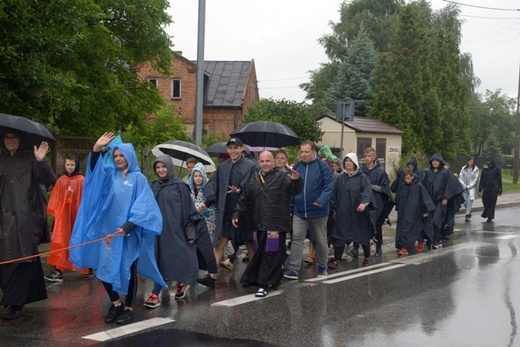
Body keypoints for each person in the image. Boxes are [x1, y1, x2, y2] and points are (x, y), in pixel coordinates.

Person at [70, 132, 165, 325]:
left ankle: (128, 307)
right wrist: (96, 150)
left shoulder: (138, 179)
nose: (118, 159)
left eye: (122, 155)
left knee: (128, 268)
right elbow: (93, 174)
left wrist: (128, 226)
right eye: (115, 156)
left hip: (128, 233)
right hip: (108, 233)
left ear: (129, 156)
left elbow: (145, 206)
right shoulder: (109, 175)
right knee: (103, 268)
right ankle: (116, 304)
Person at [0, 132, 56, 320]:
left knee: (22, 259)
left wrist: (41, 161)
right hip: (3, 217)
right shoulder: (1, 160)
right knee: (5, 258)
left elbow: (49, 180)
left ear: (20, 139)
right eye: (6, 137)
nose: (10, 140)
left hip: (25, 218)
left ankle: (15, 304)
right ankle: (11, 297)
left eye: (13, 137)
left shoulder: (31, 159)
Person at [232, 151, 303, 297]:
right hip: (258, 224)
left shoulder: (282, 177)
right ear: (258, 163)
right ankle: (261, 278)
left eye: (268, 161)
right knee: (260, 253)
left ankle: (264, 284)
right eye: (262, 161)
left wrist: (297, 181)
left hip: (275, 226)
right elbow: (244, 197)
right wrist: (236, 213)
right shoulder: (254, 178)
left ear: (273, 162)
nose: (265, 164)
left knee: (270, 254)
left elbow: (294, 190)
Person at [144, 155, 208, 308]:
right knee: (159, 261)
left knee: (179, 259)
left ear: (169, 167)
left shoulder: (180, 186)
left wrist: (190, 232)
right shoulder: (153, 186)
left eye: (164, 166)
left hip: (177, 231)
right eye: (158, 167)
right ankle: (155, 293)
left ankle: (181, 282)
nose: (161, 170)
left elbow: (189, 211)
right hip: (158, 232)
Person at [200, 138, 257, 276]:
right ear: (227, 150)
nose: (233, 151)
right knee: (221, 241)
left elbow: (254, 187)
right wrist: (205, 203)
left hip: (244, 211)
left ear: (241, 148)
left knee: (249, 242)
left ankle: (254, 272)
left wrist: (240, 191)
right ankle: (211, 275)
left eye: (235, 148)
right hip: (226, 210)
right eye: (230, 148)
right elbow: (215, 187)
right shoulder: (223, 167)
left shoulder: (251, 166)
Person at [284, 141, 334, 279]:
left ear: (313, 152)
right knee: (297, 239)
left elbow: (329, 185)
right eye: (301, 152)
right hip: (300, 211)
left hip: (318, 211)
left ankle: (323, 266)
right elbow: (294, 188)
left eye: (306, 152)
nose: (303, 154)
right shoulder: (298, 166)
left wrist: (321, 200)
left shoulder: (322, 166)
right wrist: (291, 207)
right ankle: (293, 269)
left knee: (320, 239)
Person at [45, 155, 91, 282]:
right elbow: (56, 198)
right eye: (67, 165)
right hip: (63, 218)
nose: (69, 167)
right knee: (61, 241)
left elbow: (85, 199)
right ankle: (59, 269)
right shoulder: (61, 180)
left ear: (76, 165)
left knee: (79, 240)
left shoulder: (81, 180)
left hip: (77, 218)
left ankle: (87, 267)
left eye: (72, 165)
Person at [329, 153, 375, 268]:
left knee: (362, 234)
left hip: (358, 213)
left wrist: (364, 203)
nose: (348, 163)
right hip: (343, 212)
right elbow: (335, 194)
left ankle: (367, 256)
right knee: (340, 235)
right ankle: (337, 260)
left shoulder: (362, 177)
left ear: (355, 163)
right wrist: (333, 209)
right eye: (346, 161)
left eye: (350, 161)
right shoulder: (341, 178)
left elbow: (367, 191)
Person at [420, 153, 464, 249]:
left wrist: (446, 198)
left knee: (437, 220)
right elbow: (421, 187)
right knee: (429, 221)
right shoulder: (426, 172)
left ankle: (437, 239)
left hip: (440, 201)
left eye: (436, 161)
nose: (434, 162)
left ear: (440, 162)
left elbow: (452, 186)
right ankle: (431, 239)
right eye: (433, 161)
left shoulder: (445, 172)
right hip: (429, 201)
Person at [187, 162, 219, 289]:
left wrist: (204, 208)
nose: (198, 178)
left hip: (207, 223)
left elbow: (212, 203)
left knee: (207, 249)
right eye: (195, 176)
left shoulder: (207, 188)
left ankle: (212, 275)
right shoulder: (189, 189)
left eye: (200, 176)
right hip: (193, 223)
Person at [359, 147, 392, 257]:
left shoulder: (380, 171)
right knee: (363, 225)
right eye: (366, 156)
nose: (367, 158)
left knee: (377, 225)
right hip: (365, 201)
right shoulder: (361, 171)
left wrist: (371, 187)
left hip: (377, 203)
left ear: (374, 157)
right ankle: (358, 247)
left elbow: (385, 188)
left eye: (369, 156)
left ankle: (378, 247)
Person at [395, 169, 435, 255]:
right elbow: (399, 198)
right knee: (404, 228)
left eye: (408, 178)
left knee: (415, 229)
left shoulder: (418, 186)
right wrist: (398, 208)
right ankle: (404, 247)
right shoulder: (403, 186)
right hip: (404, 211)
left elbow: (425, 198)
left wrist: (426, 210)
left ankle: (420, 241)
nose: (406, 180)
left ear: (412, 177)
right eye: (405, 178)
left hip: (415, 212)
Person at [479, 156, 502, 223]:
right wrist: (480, 188)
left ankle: (490, 216)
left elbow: (499, 179)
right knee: (485, 200)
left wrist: (500, 189)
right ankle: (486, 213)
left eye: (489, 160)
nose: (488, 162)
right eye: (487, 160)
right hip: (486, 188)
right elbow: (482, 179)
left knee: (492, 203)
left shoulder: (496, 169)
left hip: (494, 188)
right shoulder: (485, 169)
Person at [459, 156, 479, 222]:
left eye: (472, 161)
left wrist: (469, 186)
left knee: (469, 201)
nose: (471, 162)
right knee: (464, 202)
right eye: (470, 161)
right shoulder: (463, 168)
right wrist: (464, 185)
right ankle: (469, 211)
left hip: (471, 188)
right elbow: (460, 177)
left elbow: (475, 179)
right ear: (468, 161)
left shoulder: (475, 169)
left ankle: (467, 214)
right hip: (464, 188)